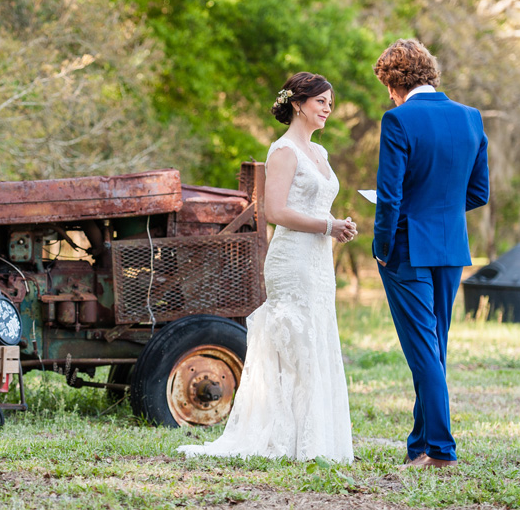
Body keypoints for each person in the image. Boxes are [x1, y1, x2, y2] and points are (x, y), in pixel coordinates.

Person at [177, 72, 356, 463]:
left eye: (330, 102)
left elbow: (314, 205)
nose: (328, 108)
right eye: (321, 101)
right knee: (296, 340)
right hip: (292, 259)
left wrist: (336, 226)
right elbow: (275, 211)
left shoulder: (320, 154)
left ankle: (315, 438)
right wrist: (328, 225)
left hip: (319, 258)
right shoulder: (284, 151)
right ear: (298, 103)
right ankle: (284, 437)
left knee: (317, 334)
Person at [371, 39, 490, 468]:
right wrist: (439, 208)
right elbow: (478, 192)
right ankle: (420, 445)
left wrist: (381, 248)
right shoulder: (471, 118)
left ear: (394, 81)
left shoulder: (398, 120)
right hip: (451, 246)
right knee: (434, 347)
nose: (387, 93)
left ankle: (441, 451)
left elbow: (389, 196)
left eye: (387, 84)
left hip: (405, 248)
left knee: (424, 351)